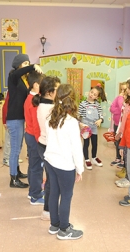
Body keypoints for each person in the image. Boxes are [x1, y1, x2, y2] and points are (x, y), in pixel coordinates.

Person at [45, 84, 84, 240]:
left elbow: (49, 139)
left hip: (50, 161)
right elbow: (76, 148)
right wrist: (80, 169)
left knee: (54, 192)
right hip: (64, 165)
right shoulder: (71, 122)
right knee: (66, 196)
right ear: (73, 100)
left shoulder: (50, 117)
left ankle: (54, 224)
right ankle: (64, 229)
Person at [6, 54, 43, 188]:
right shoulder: (13, 77)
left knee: (18, 147)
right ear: (19, 65)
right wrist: (33, 66)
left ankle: (17, 171)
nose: (27, 65)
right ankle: (13, 179)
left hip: (18, 119)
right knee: (15, 149)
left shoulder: (21, 80)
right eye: (25, 63)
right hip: (14, 119)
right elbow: (19, 72)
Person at [36, 76, 61, 220]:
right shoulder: (51, 108)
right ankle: (47, 210)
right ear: (50, 92)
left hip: (43, 145)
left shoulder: (42, 105)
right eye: (57, 89)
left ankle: (48, 209)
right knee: (52, 181)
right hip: (49, 147)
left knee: (51, 179)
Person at [24, 71, 45, 205]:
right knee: (37, 167)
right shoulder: (33, 101)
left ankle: (33, 190)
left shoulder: (32, 97)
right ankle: (35, 196)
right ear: (36, 85)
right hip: (34, 137)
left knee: (33, 165)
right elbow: (36, 125)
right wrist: (41, 142)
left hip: (30, 135)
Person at [79, 85, 107, 170]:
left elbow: (101, 116)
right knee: (86, 144)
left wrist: (100, 120)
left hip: (94, 127)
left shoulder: (97, 105)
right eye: (91, 92)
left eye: (95, 94)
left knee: (95, 144)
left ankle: (94, 158)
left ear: (97, 97)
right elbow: (78, 116)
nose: (92, 95)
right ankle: (87, 159)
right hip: (86, 127)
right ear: (89, 91)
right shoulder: (83, 104)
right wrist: (80, 123)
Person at [109, 82, 127, 167]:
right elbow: (111, 108)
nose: (122, 91)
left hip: (123, 125)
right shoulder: (118, 97)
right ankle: (118, 158)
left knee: (123, 142)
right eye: (121, 89)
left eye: (125, 89)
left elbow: (121, 107)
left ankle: (123, 160)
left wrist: (121, 98)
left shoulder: (124, 98)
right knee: (117, 142)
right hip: (117, 123)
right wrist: (118, 110)